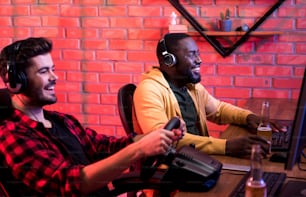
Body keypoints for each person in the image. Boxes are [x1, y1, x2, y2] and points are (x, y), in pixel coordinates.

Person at [0, 37, 184, 196]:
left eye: (52, 69)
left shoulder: (62, 121)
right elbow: (70, 183)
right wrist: (139, 150)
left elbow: (105, 146)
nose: (54, 76)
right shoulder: (12, 135)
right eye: (43, 71)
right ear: (17, 82)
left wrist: (154, 137)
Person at [132, 33, 286, 159]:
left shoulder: (189, 85)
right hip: (173, 168)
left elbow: (217, 109)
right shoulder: (149, 90)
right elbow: (164, 140)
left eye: (198, 54)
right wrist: (227, 146)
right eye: (192, 55)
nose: (199, 60)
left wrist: (249, 117)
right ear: (169, 60)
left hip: (199, 160)